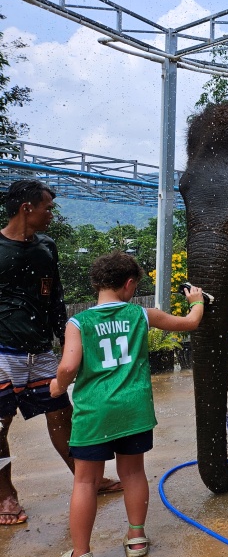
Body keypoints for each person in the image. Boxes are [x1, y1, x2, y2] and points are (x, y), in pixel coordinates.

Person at [49, 251, 206, 557]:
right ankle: (136, 538)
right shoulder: (141, 314)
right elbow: (190, 323)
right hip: (134, 411)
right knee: (133, 473)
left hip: (95, 413)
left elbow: (68, 366)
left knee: (86, 481)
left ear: (96, 283)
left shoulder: (78, 322)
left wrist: (57, 386)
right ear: (130, 284)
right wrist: (197, 299)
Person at [0, 180, 122, 527]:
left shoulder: (47, 247)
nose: (51, 214)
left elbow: (54, 298)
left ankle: (89, 479)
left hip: (41, 352)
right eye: (47, 208)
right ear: (27, 208)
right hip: (2, 354)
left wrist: (67, 343)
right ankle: (5, 494)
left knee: (62, 416)